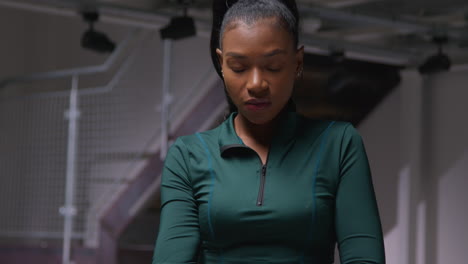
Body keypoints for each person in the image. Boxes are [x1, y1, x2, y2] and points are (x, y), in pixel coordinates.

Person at [152, 0, 385, 263]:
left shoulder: (338, 144)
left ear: (298, 62)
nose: (255, 84)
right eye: (238, 68)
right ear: (221, 65)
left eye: (273, 67)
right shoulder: (187, 155)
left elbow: (365, 257)